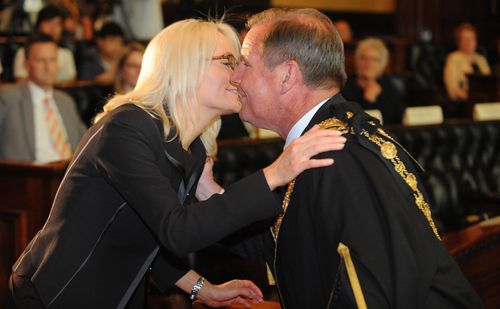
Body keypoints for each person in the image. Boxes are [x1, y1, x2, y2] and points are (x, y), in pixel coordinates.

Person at [9, 18, 345, 308]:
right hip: (57, 295)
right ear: (185, 65)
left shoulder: (193, 148)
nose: (239, 75)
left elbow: (151, 239)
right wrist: (275, 172)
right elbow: (177, 231)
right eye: (228, 61)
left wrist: (204, 289)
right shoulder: (128, 126)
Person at [204, 8, 483, 308]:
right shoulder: (326, 140)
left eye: (245, 64)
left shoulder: (336, 156)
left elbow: (370, 293)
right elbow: (292, 247)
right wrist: (207, 189)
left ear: (287, 75)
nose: (235, 77)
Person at [0, 33, 86, 162]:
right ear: (26, 65)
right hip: (27, 177)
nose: (48, 67)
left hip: (69, 175)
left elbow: (86, 143)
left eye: (52, 60)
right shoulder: (8, 97)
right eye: (40, 60)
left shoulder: (66, 101)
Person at [342, 38, 407, 124]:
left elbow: (400, 119)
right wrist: (367, 101)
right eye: (364, 58)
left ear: (383, 64)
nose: (369, 63)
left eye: (375, 60)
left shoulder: (389, 85)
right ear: (356, 60)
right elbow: (350, 123)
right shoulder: (345, 86)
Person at [13, 4, 77, 83]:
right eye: (48, 22)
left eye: (57, 24)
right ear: (39, 25)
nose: (52, 28)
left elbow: (71, 84)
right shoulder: (23, 53)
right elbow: (21, 82)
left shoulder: (66, 54)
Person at [443, 23, 491, 117]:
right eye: (465, 39)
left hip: (487, 101)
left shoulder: (481, 59)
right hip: (467, 103)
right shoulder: (453, 58)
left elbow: (490, 81)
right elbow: (453, 90)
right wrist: (473, 97)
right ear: (459, 42)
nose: (469, 42)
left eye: (472, 39)